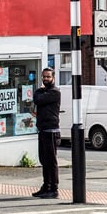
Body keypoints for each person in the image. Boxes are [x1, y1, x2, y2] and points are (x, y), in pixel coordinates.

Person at [30, 67, 61, 199]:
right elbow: (36, 96)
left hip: (51, 131)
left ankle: (53, 188)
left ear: (53, 78)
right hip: (43, 130)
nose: (45, 79)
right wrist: (40, 92)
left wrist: (40, 92)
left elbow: (38, 99)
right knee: (44, 160)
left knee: (51, 161)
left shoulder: (55, 92)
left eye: (48, 77)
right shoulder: (43, 91)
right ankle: (46, 186)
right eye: (44, 76)